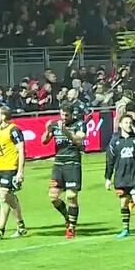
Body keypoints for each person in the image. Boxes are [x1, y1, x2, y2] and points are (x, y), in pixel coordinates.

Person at [105, 113, 135, 238]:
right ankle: (126, 229)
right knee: (123, 203)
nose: (128, 125)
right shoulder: (114, 142)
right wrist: (108, 178)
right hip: (121, 177)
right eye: (126, 123)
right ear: (120, 125)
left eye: (130, 123)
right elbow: (109, 161)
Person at [42, 102, 86, 239]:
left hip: (72, 163)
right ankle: (68, 217)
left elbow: (79, 139)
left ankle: (72, 228)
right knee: (53, 196)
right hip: (58, 164)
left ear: (72, 114)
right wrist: (47, 130)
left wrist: (65, 131)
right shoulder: (56, 124)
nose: (64, 117)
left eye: (66, 115)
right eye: (62, 114)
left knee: (71, 196)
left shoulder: (78, 124)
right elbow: (43, 141)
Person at [0, 106, 26, 241]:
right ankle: (16, 226)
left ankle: (4, 228)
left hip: (10, 168)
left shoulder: (14, 130)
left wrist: (20, 171)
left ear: (3, 116)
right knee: (4, 198)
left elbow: (21, 150)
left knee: (4, 195)